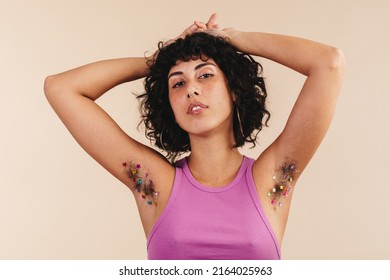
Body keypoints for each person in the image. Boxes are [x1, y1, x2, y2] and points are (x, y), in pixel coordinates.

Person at [44, 14, 345, 259]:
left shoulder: (272, 177)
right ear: (169, 105)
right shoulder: (154, 184)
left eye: (205, 75)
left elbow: (328, 63)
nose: (191, 89)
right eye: (177, 83)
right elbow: (60, 88)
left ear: (235, 91)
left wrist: (230, 39)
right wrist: (158, 61)